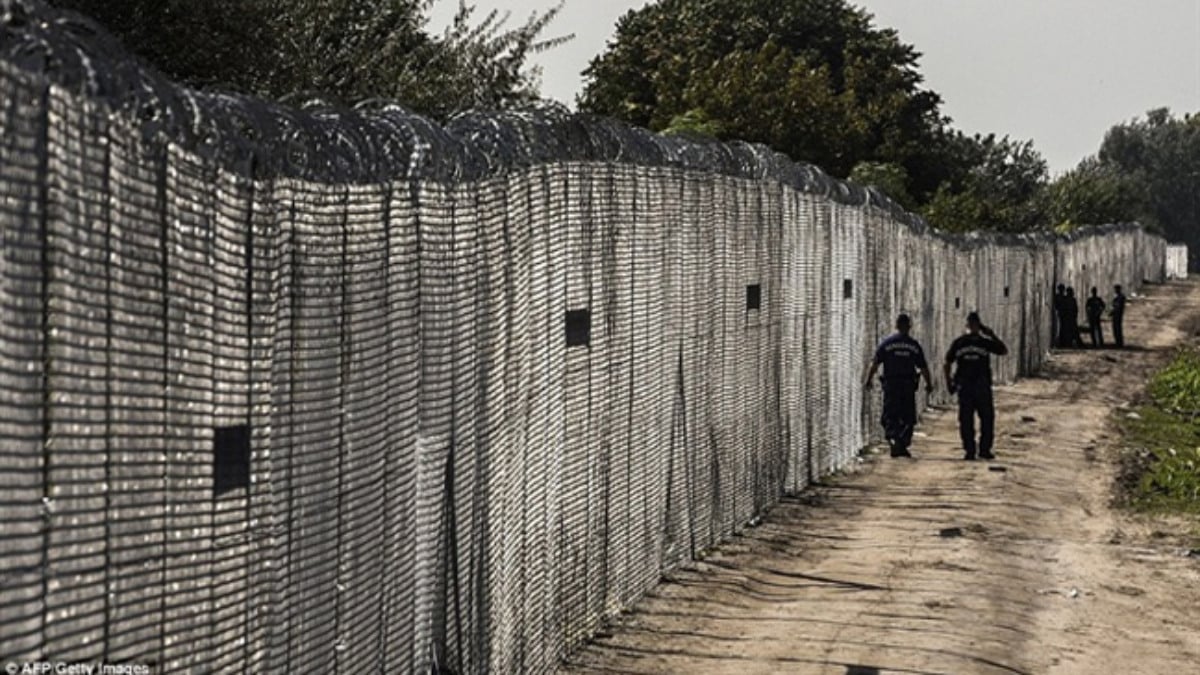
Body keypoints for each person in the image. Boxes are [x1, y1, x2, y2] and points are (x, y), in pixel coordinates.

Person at [863, 314, 935, 458]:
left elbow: (875, 363)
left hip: (891, 385)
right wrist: (929, 384)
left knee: (890, 414)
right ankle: (901, 442)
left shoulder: (887, 343)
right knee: (907, 415)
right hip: (907, 385)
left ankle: (894, 439)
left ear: (896, 325)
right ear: (909, 327)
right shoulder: (913, 345)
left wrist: (869, 379)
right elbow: (923, 367)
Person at [944, 312, 1009, 461]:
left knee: (973, 419)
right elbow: (1003, 350)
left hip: (971, 386)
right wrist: (991, 334)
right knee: (980, 418)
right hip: (978, 386)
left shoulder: (961, 342)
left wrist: (950, 382)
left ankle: (974, 450)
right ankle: (978, 450)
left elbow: (947, 363)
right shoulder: (980, 342)